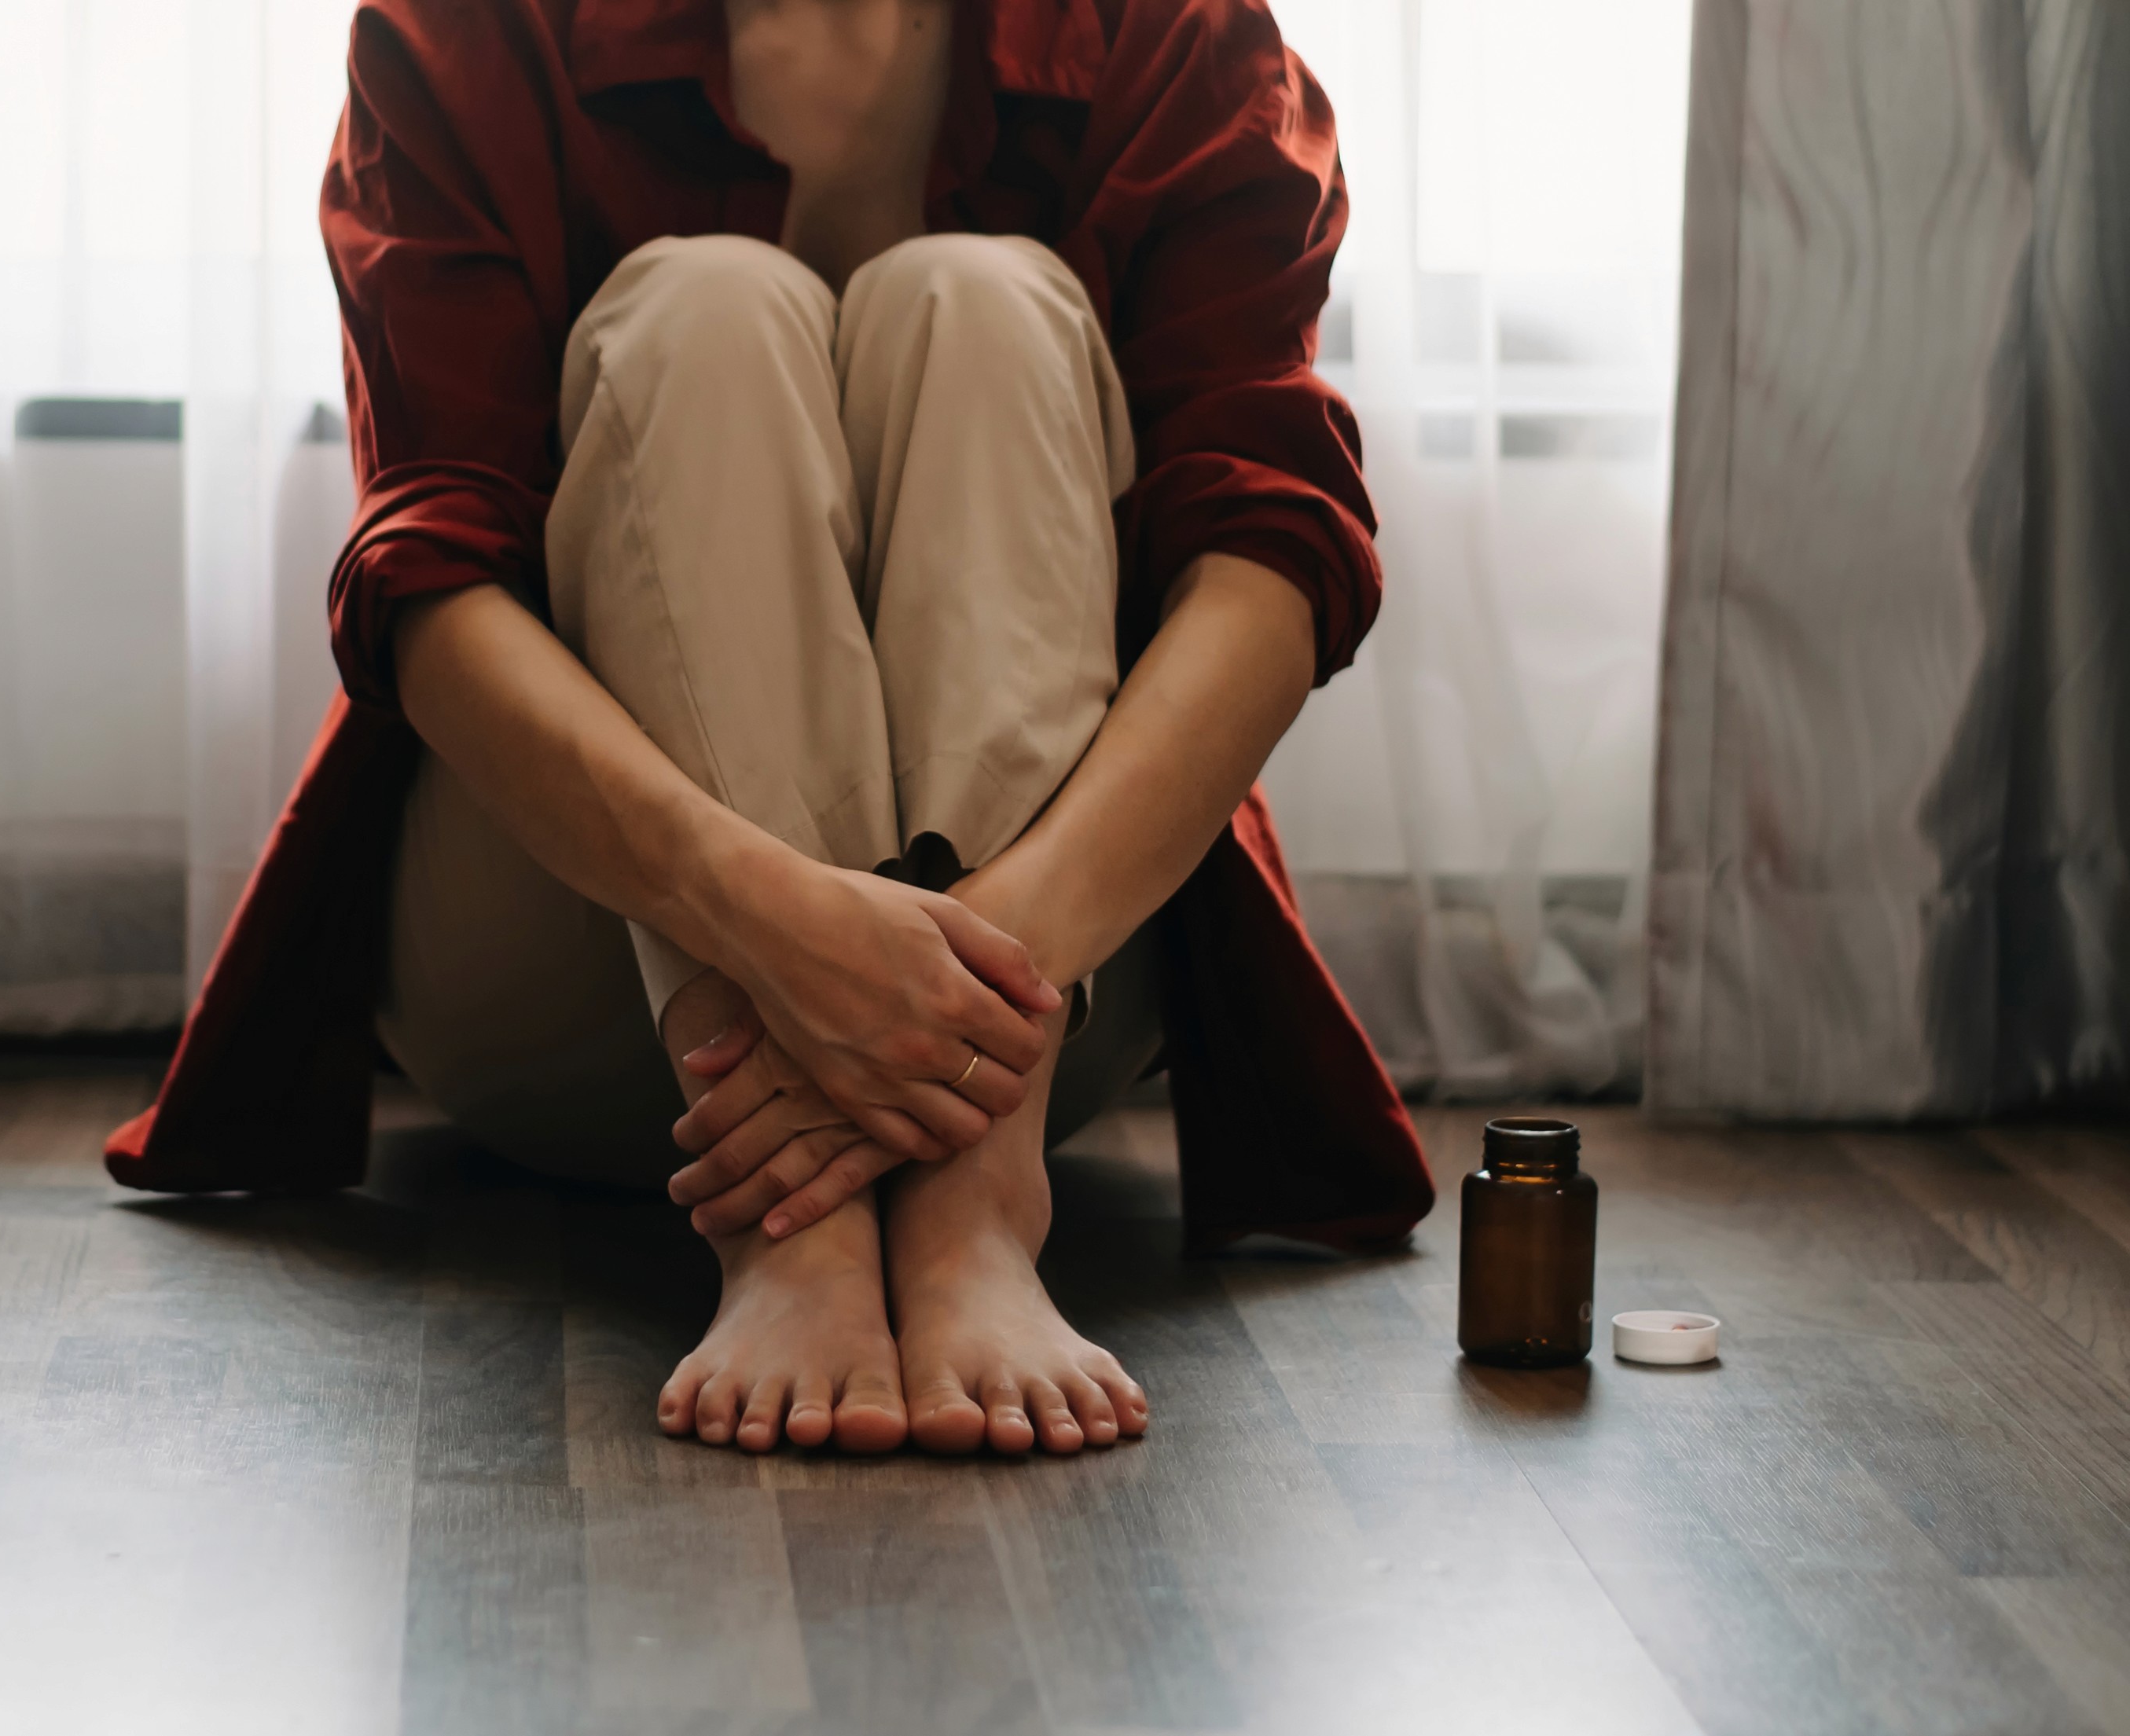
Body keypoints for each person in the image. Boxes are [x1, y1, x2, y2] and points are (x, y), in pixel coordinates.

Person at [105, 0, 1427, 1456]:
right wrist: (784, 930)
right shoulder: (463, 24)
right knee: (702, 305)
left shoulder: (1172, 30)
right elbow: (426, 582)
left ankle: (973, 1203)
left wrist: (991, 968)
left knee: (983, 298)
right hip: (583, 977)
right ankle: (788, 1238)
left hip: (1026, 1016)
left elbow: (1272, 554)